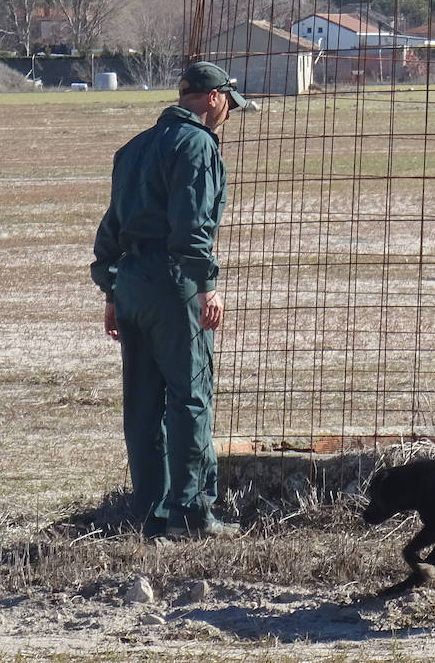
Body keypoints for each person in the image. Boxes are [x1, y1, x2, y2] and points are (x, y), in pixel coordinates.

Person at [90, 61, 247, 540]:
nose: (226, 116)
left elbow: (111, 225)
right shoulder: (197, 144)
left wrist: (112, 290)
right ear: (215, 98)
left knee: (142, 404)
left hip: (131, 283)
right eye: (227, 106)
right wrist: (206, 284)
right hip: (172, 283)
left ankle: (150, 514)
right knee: (190, 396)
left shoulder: (133, 148)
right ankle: (193, 514)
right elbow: (191, 226)